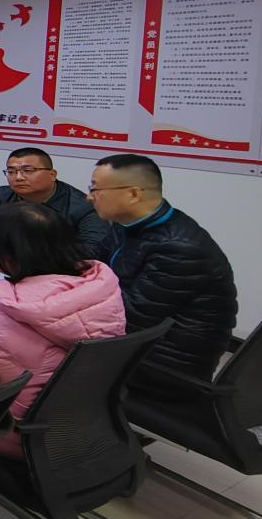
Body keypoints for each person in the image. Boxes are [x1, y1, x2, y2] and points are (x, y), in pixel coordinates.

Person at [0, 202, 125, 458]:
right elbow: (28, 304)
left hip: (6, 432)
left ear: (10, 254)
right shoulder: (99, 286)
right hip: (78, 426)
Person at [89, 153, 237, 379]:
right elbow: (92, 263)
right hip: (138, 344)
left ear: (133, 194)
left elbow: (130, 317)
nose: (89, 197)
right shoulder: (128, 224)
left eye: (96, 189)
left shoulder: (179, 248)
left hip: (166, 365)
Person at [0, 147, 109, 255]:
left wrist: (29, 250)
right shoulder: (4, 195)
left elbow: (94, 250)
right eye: (11, 171)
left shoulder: (83, 206)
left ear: (52, 174)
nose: (18, 177)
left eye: (28, 170)